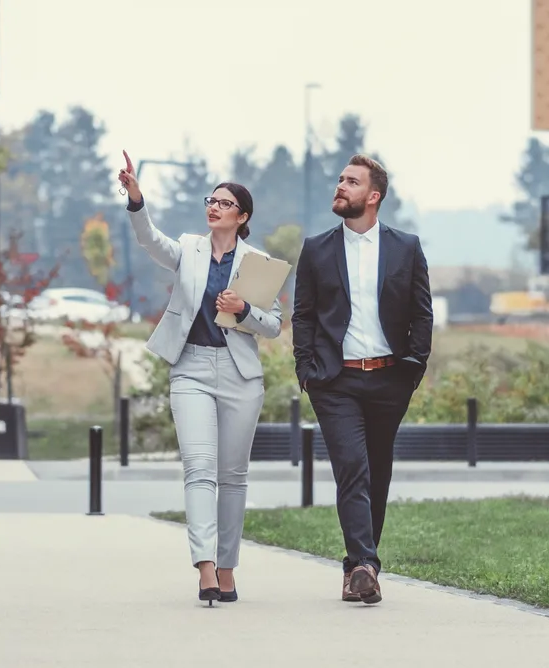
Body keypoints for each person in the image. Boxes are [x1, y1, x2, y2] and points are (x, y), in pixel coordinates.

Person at [117, 151, 284, 606]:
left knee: (232, 477)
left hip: (239, 374)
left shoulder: (258, 263)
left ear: (242, 216)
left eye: (224, 203)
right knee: (199, 469)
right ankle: (205, 568)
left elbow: (273, 325)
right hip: (189, 367)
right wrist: (137, 200)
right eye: (211, 200)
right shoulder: (188, 247)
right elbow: (151, 241)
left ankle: (228, 570)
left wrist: (243, 310)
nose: (213, 207)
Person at [291, 154, 432, 605]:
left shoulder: (406, 247)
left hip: (390, 378)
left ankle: (355, 569)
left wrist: (414, 366)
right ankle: (368, 566)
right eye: (339, 180)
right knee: (352, 467)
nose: (340, 186)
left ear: (373, 196)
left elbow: (421, 312)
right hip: (336, 381)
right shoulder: (317, 248)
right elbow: (304, 315)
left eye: (351, 182)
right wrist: (306, 370)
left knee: (377, 473)